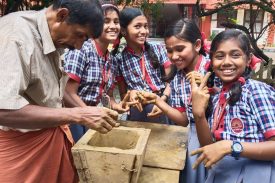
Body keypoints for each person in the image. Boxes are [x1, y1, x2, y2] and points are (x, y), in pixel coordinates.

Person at [0, 0, 119, 182]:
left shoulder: (55, 37)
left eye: (85, 39)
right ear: (62, 15)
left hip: (48, 139)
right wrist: (76, 114)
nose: (79, 46)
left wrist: (85, 113)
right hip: (18, 149)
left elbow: (54, 90)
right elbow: (3, 109)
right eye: (79, 35)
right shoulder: (16, 36)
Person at [140, 19, 220, 183]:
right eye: (169, 51)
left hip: (217, 137)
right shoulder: (177, 78)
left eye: (180, 49)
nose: (174, 56)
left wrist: (210, 87)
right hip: (192, 136)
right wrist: (157, 100)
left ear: (197, 45)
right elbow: (184, 120)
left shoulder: (214, 68)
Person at [191, 29, 275, 183]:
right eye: (219, 56)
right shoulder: (217, 98)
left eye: (235, 55)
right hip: (223, 174)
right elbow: (209, 148)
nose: (227, 62)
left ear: (248, 59)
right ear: (211, 62)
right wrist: (199, 114)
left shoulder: (255, 91)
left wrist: (231, 146)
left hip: (255, 174)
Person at [63, 4, 133, 142]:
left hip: (91, 118)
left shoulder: (112, 60)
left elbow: (107, 96)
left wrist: (116, 106)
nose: (113, 26)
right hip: (73, 118)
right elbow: (67, 93)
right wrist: (91, 115)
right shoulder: (82, 49)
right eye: (106, 21)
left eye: (116, 22)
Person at [116, 7, 172, 123]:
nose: (144, 31)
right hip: (138, 110)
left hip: (163, 104)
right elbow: (123, 94)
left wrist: (161, 101)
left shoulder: (158, 49)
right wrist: (129, 97)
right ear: (123, 31)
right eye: (137, 26)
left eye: (145, 26)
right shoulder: (119, 59)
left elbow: (172, 82)